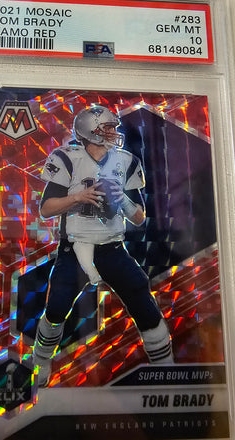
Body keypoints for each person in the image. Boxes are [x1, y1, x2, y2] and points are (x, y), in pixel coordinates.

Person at [32, 105, 173, 386]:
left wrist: (123, 200)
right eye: (107, 128)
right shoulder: (67, 158)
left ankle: (166, 366)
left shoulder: (125, 160)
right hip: (74, 247)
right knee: (57, 307)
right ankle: (40, 360)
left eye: (113, 127)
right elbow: (46, 209)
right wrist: (78, 197)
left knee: (142, 299)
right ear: (89, 132)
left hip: (112, 248)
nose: (113, 132)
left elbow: (139, 218)